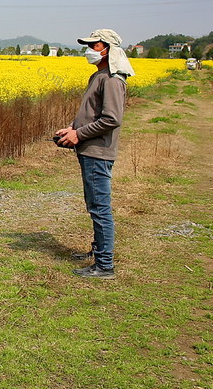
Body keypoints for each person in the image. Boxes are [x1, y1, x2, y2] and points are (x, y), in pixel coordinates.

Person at [54, 28, 134, 279]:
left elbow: (111, 119)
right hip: (91, 149)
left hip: (98, 152)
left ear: (108, 48)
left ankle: (105, 265)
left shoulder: (111, 79)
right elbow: (93, 114)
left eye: (95, 45)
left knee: (100, 207)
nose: (90, 49)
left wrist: (79, 134)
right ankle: (98, 250)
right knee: (94, 204)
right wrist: (72, 129)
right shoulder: (99, 75)